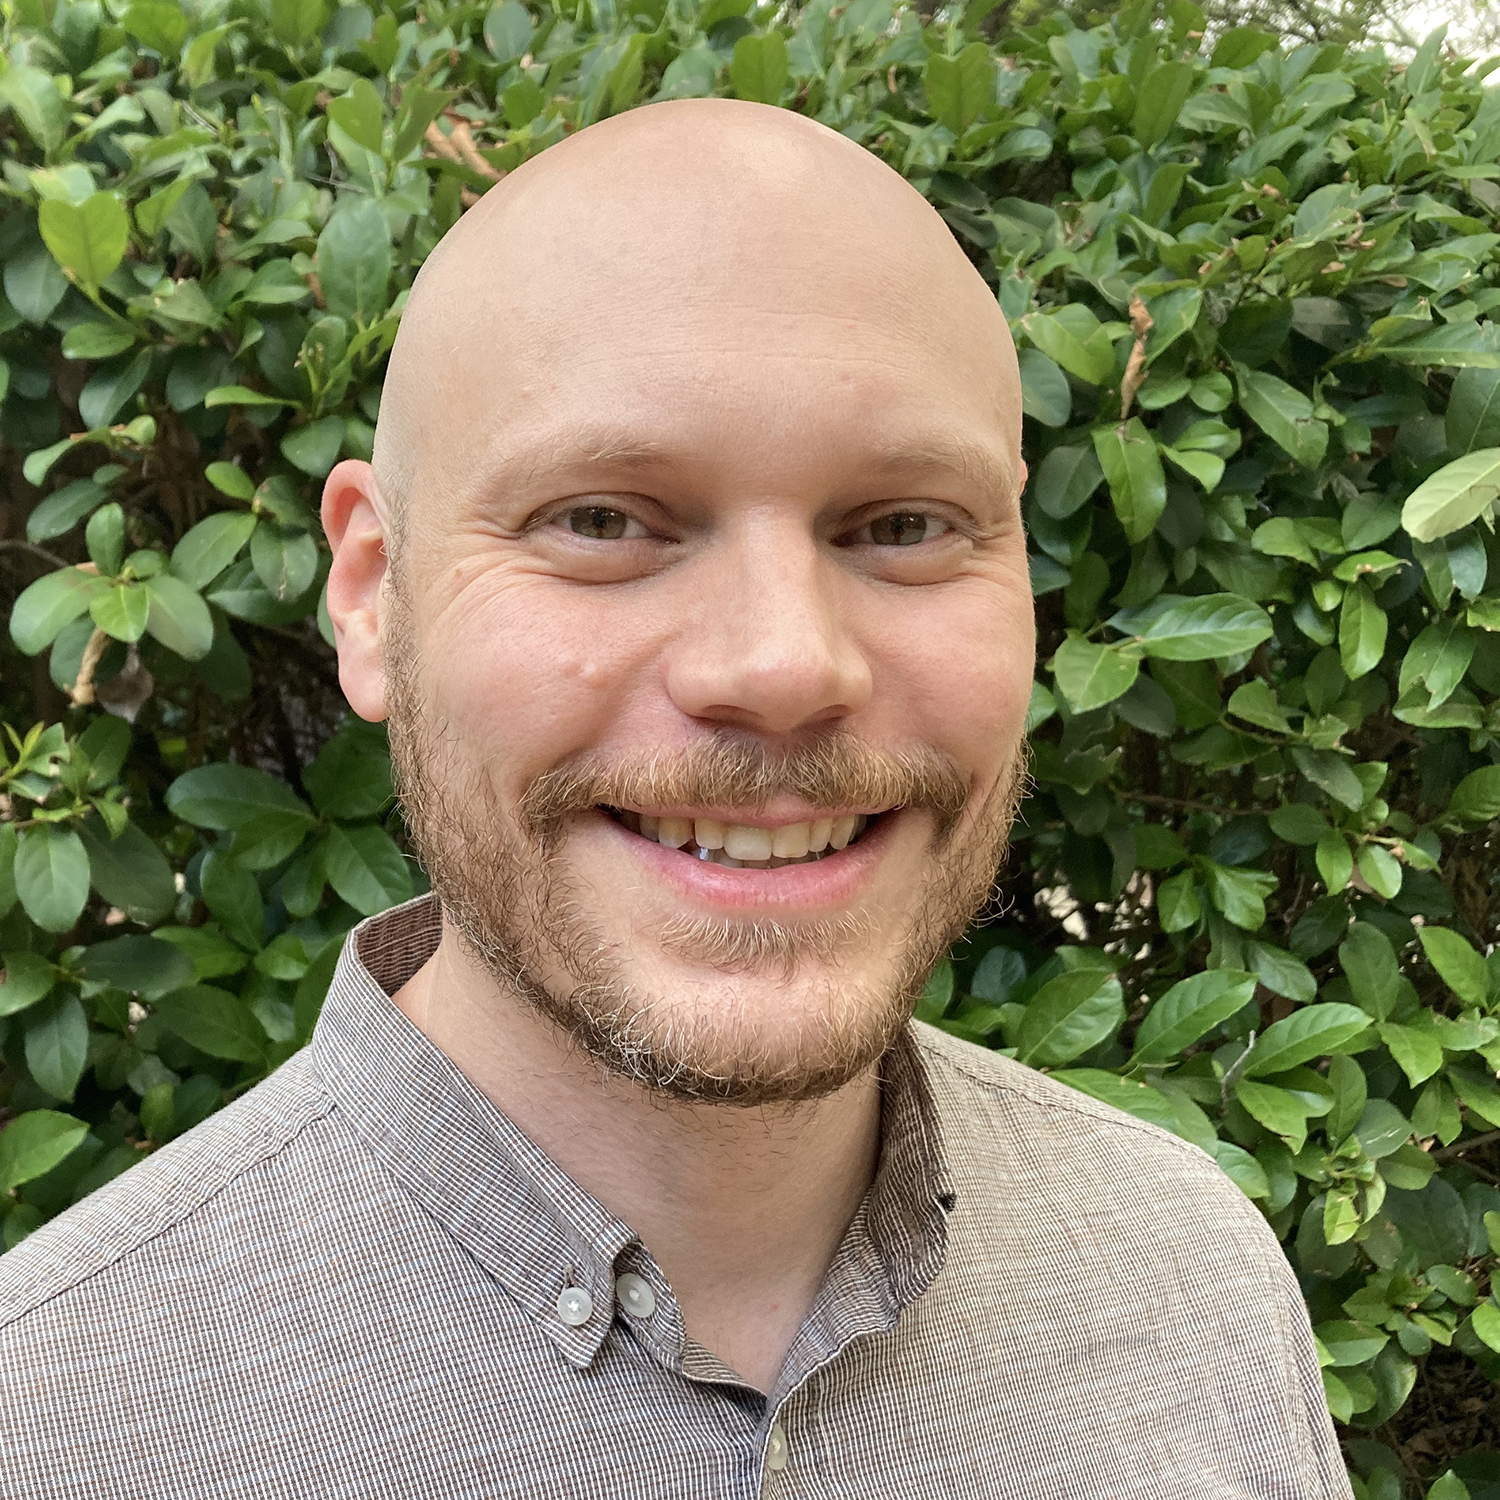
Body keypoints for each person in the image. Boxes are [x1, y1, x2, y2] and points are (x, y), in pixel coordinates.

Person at [0, 99, 1350, 1499]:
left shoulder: (1189, 1272)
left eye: (903, 526)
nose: (783, 667)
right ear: (371, 596)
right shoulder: (53, 1430)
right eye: (601, 521)